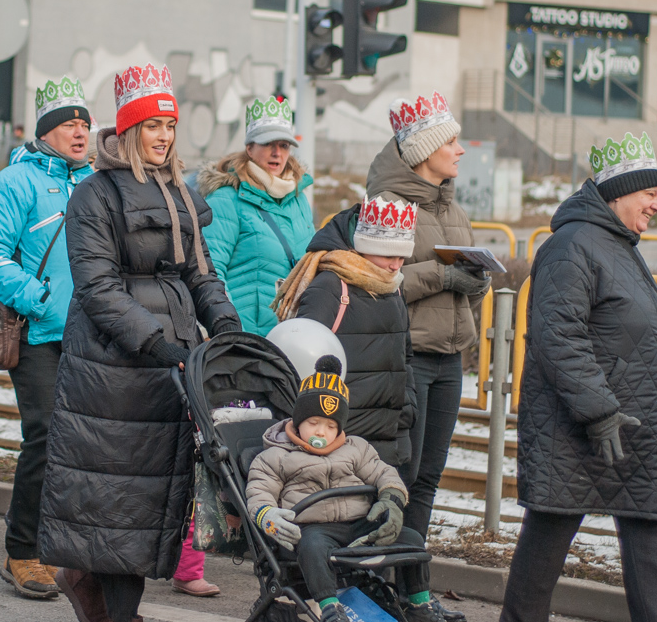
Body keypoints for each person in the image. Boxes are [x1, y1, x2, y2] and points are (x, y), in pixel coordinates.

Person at [38, 64, 241, 622]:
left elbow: (201, 275)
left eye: (170, 125)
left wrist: (226, 326)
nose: (164, 136)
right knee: (118, 501)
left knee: (151, 499)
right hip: (113, 370)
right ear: (128, 130)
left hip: (170, 367)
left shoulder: (181, 194)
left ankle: (95, 588)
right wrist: (156, 343)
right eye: (153, 125)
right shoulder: (95, 194)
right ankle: (115, 607)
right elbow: (98, 288)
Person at [503, 133, 657, 622]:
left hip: (632, 434)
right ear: (619, 192)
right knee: (543, 553)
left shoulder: (616, 244)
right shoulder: (572, 245)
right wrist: (600, 412)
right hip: (580, 432)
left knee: (653, 558)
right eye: (650, 193)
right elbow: (558, 335)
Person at [0, 77, 93, 601]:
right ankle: (22, 551)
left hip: (92, 335)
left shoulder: (97, 183)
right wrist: (40, 298)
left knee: (83, 441)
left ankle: (65, 543)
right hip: (38, 333)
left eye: (85, 124)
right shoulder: (12, 183)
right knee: (44, 436)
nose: (80, 133)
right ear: (45, 132)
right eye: (69, 125)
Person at [365, 91, 485, 622]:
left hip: (449, 360)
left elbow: (461, 285)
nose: (460, 150)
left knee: (429, 477)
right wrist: (443, 275)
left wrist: (475, 281)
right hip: (407, 357)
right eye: (450, 141)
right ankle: (377, 583)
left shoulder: (452, 208)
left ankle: (412, 592)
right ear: (423, 150)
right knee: (400, 476)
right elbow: (377, 279)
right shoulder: (388, 202)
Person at [246, 356, 411, 622]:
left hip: (359, 523)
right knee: (311, 546)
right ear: (298, 421)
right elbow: (260, 490)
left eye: (331, 426)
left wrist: (391, 499)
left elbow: (384, 472)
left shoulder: (355, 448)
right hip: (313, 528)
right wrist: (267, 514)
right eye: (313, 423)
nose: (321, 432)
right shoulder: (276, 455)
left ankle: (420, 603)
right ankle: (331, 608)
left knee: (411, 537)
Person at [274, 194, 417, 469]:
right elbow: (300, 364)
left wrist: (407, 409)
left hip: (391, 437)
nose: (396, 265)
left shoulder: (393, 288)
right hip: (340, 440)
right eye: (388, 255)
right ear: (363, 246)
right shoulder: (330, 287)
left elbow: (406, 357)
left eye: (402, 257)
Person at [198, 95, 313, 336]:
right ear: (249, 148)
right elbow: (209, 272)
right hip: (246, 339)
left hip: (293, 337)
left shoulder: (298, 199)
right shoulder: (226, 199)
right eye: (268, 143)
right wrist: (230, 329)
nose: (277, 153)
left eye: (284, 145)